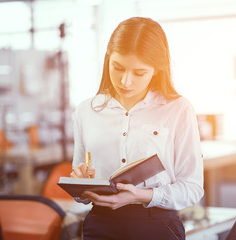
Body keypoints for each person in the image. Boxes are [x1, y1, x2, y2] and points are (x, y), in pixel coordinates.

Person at [70, 16, 204, 240]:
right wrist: (80, 183)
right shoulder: (86, 111)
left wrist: (142, 195)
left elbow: (192, 188)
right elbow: (80, 189)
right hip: (99, 227)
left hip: (157, 227)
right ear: (107, 60)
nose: (125, 81)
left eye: (139, 73)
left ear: (157, 70)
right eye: (117, 68)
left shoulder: (178, 109)